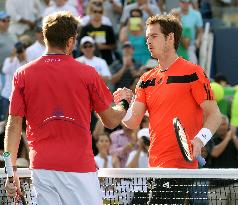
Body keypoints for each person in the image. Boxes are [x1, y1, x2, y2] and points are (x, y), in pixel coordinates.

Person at [4, 11, 133, 205]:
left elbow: (13, 126)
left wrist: (9, 170)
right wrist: (125, 102)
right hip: (79, 167)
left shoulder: (22, 74)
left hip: (42, 167)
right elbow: (111, 120)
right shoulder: (88, 73)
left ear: (45, 37)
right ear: (71, 41)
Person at [114, 14, 221, 204]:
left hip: (180, 166)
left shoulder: (193, 72)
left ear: (170, 38)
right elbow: (132, 122)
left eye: (154, 36)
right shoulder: (145, 79)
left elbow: (214, 115)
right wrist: (124, 104)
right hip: (154, 165)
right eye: (147, 37)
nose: (148, 41)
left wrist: (199, 140)